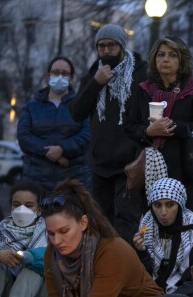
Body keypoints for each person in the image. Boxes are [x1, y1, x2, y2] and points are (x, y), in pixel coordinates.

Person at [17, 180, 193, 297]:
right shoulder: (51, 254)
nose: (57, 240)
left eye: (64, 231)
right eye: (51, 234)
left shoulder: (110, 249)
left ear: (83, 222)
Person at [69, 24, 147, 245]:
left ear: (121, 46)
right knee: (101, 224)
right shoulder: (95, 72)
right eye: (101, 46)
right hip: (101, 163)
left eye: (111, 45)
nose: (105, 51)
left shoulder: (141, 72)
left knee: (126, 225)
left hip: (129, 164)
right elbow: (76, 112)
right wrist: (96, 83)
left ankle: (126, 274)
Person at [126, 36, 193, 211]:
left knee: (182, 224)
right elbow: (129, 126)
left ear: (182, 60)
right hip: (150, 169)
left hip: (185, 168)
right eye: (161, 55)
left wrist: (174, 127)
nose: (166, 59)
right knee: (152, 222)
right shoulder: (143, 90)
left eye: (173, 55)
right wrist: (148, 132)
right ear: (154, 59)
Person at [17, 57, 91, 193]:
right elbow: (24, 137)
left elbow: (87, 135)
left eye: (64, 73)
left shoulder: (82, 105)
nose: (60, 76)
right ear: (48, 75)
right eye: (56, 72)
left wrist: (63, 148)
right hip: (36, 180)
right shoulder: (31, 107)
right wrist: (52, 153)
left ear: (71, 77)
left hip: (74, 180)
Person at [133, 177, 193, 294]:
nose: (164, 212)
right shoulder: (145, 231)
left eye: (170, 205)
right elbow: (140, 276)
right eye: (158, 205)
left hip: (184, 295)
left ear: (179, 206)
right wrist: (141, 251)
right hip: (150, 294)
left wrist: (192, 274)